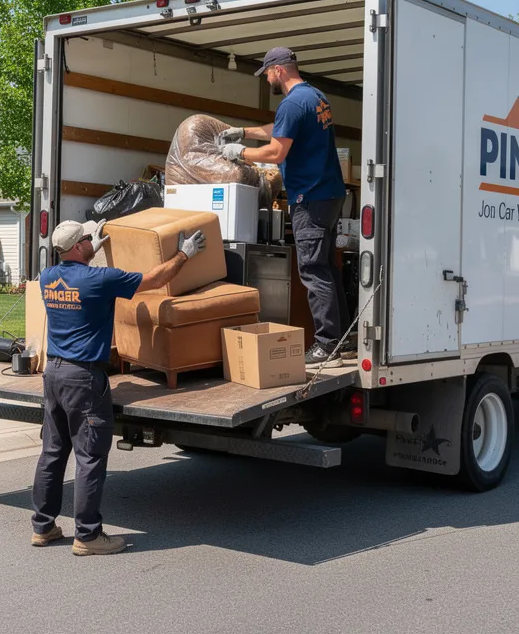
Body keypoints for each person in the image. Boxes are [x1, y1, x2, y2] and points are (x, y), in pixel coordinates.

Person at [31, 219, 206, 556]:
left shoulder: (49, 278)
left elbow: (74, 274)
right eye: (87, 239)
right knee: (90, 458)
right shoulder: (100, 279)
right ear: (80, 246)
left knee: (52, 453)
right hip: (83, 378)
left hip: (53, 374)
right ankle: (88, 536)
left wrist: (90, 249)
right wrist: (184, 254)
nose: (89, 241)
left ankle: (43, 527)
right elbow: (155, 279)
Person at [219, 46, 350, 368]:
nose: (266, 79)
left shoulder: (292, 102)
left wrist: (240, 152)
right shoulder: (315, 97)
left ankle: (327, 345)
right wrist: (244, 131)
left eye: (266, 72)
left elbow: (277, 151)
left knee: (313, 271)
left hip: (310, 196)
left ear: (279, 70)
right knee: (328, 269)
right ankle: (343, 341)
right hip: (329, 195)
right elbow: (282, 128)